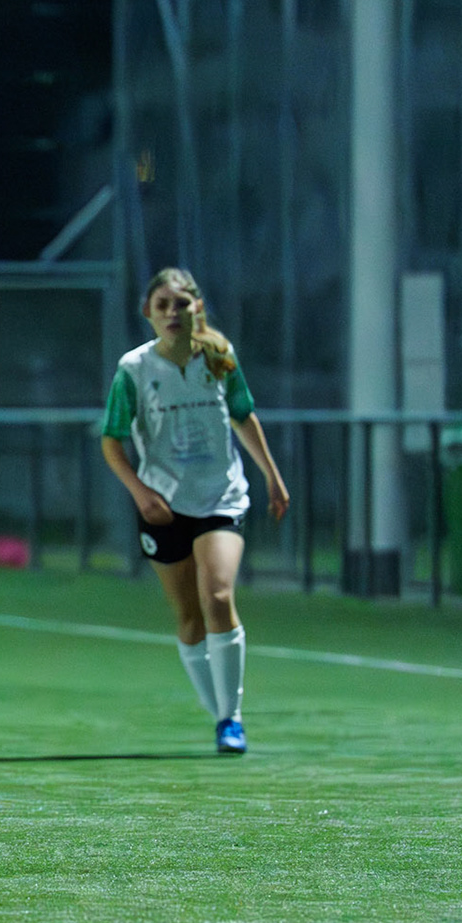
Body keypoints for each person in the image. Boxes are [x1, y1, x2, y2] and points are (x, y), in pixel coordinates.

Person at [100, 267, 289, 755]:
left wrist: (271, 473)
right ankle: (219, 712)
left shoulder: (218, 356)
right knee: (188, 618)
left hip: (220, 497)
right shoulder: (135, 370)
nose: (172, 313)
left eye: (181, 303)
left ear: (197, 308)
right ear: (148, 313)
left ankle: (232, 719)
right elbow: (112, 440)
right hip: (163, 505)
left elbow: (242, 414)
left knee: (219, 595)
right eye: (162, 304)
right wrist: (140, 492)